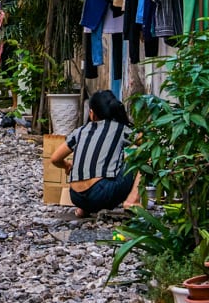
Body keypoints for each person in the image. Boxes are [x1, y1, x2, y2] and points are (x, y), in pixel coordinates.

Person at [50, 90, 141, 218]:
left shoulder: (80, 131)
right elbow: (147, 144)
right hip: (102, 195)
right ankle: (133, 201)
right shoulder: (120, 129)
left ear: (92, 113)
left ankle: (84, 209)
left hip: (75, 196)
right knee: (141, 156)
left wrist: (66, 166)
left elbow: (55, 158)